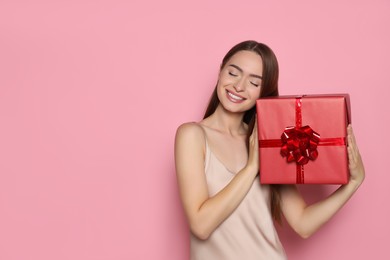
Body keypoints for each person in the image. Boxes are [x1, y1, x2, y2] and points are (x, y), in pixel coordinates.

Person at [174, 40, 365, 260]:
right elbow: (201, 224)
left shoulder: (270, 142)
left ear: (263, 93)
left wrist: (352, 184)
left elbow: (302, 223)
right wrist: (252, 167)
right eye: (233, 73)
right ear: (220, 71)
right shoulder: (192, 135)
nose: (239, 86)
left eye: (254, 83)